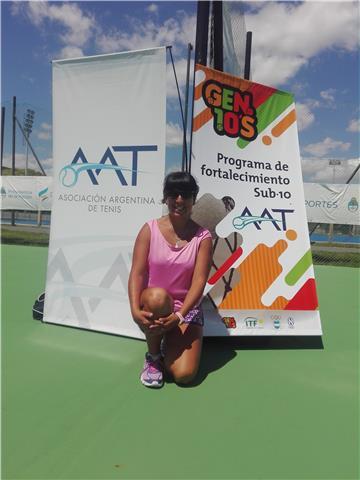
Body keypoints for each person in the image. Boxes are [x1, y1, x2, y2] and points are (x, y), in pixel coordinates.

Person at [128, 171, 213, 388]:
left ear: (194, 199)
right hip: (156, 305)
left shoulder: (203, 237)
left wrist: (180, 315)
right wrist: (134, 311)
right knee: (157, 297)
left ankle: (169, 339)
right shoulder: (149, 229)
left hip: (186, 310)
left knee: (183, 376)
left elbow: (199, 281)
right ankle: (154, 357)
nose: (179, 200)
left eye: (185, 195)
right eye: (173, 194)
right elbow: (137, 273)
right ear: (165, 197)